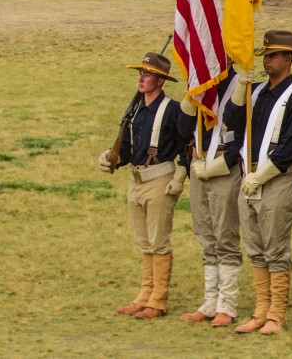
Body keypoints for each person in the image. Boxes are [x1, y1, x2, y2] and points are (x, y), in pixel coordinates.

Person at [223, 30, 292, 334]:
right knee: (254, 247)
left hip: (276, 179)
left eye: (273, 55)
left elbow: (291, 146)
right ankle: (261, 308)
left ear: (288, 58)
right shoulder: (257, 91)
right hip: (249, 176)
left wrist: (261, 176)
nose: (267, 60)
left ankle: (276, 313)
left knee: (275, 248)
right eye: (265, 55)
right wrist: (241, 88)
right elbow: (231, 122)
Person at [96, 52, 191, 319]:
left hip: (160, 178)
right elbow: (126, 148)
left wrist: (179, 176)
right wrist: (111, 157)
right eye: (141, 73)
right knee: (145, 242)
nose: (141, 78)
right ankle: (144, 294)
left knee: (158, 242)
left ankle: (158, 300)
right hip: (136, 180)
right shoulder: (135, 110)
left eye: (147, 74)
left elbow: (186, 143)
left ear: (160, 81)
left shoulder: (171, 109)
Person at [179, 70, 244, 327]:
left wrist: (222, 164)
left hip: (224, 168)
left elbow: (242, 130)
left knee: (225, 237)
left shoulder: (241, 86)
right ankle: (210, 300)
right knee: (206, 237)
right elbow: (183, 128)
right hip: (198, 165)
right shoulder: (201, 85)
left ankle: (227, 304)